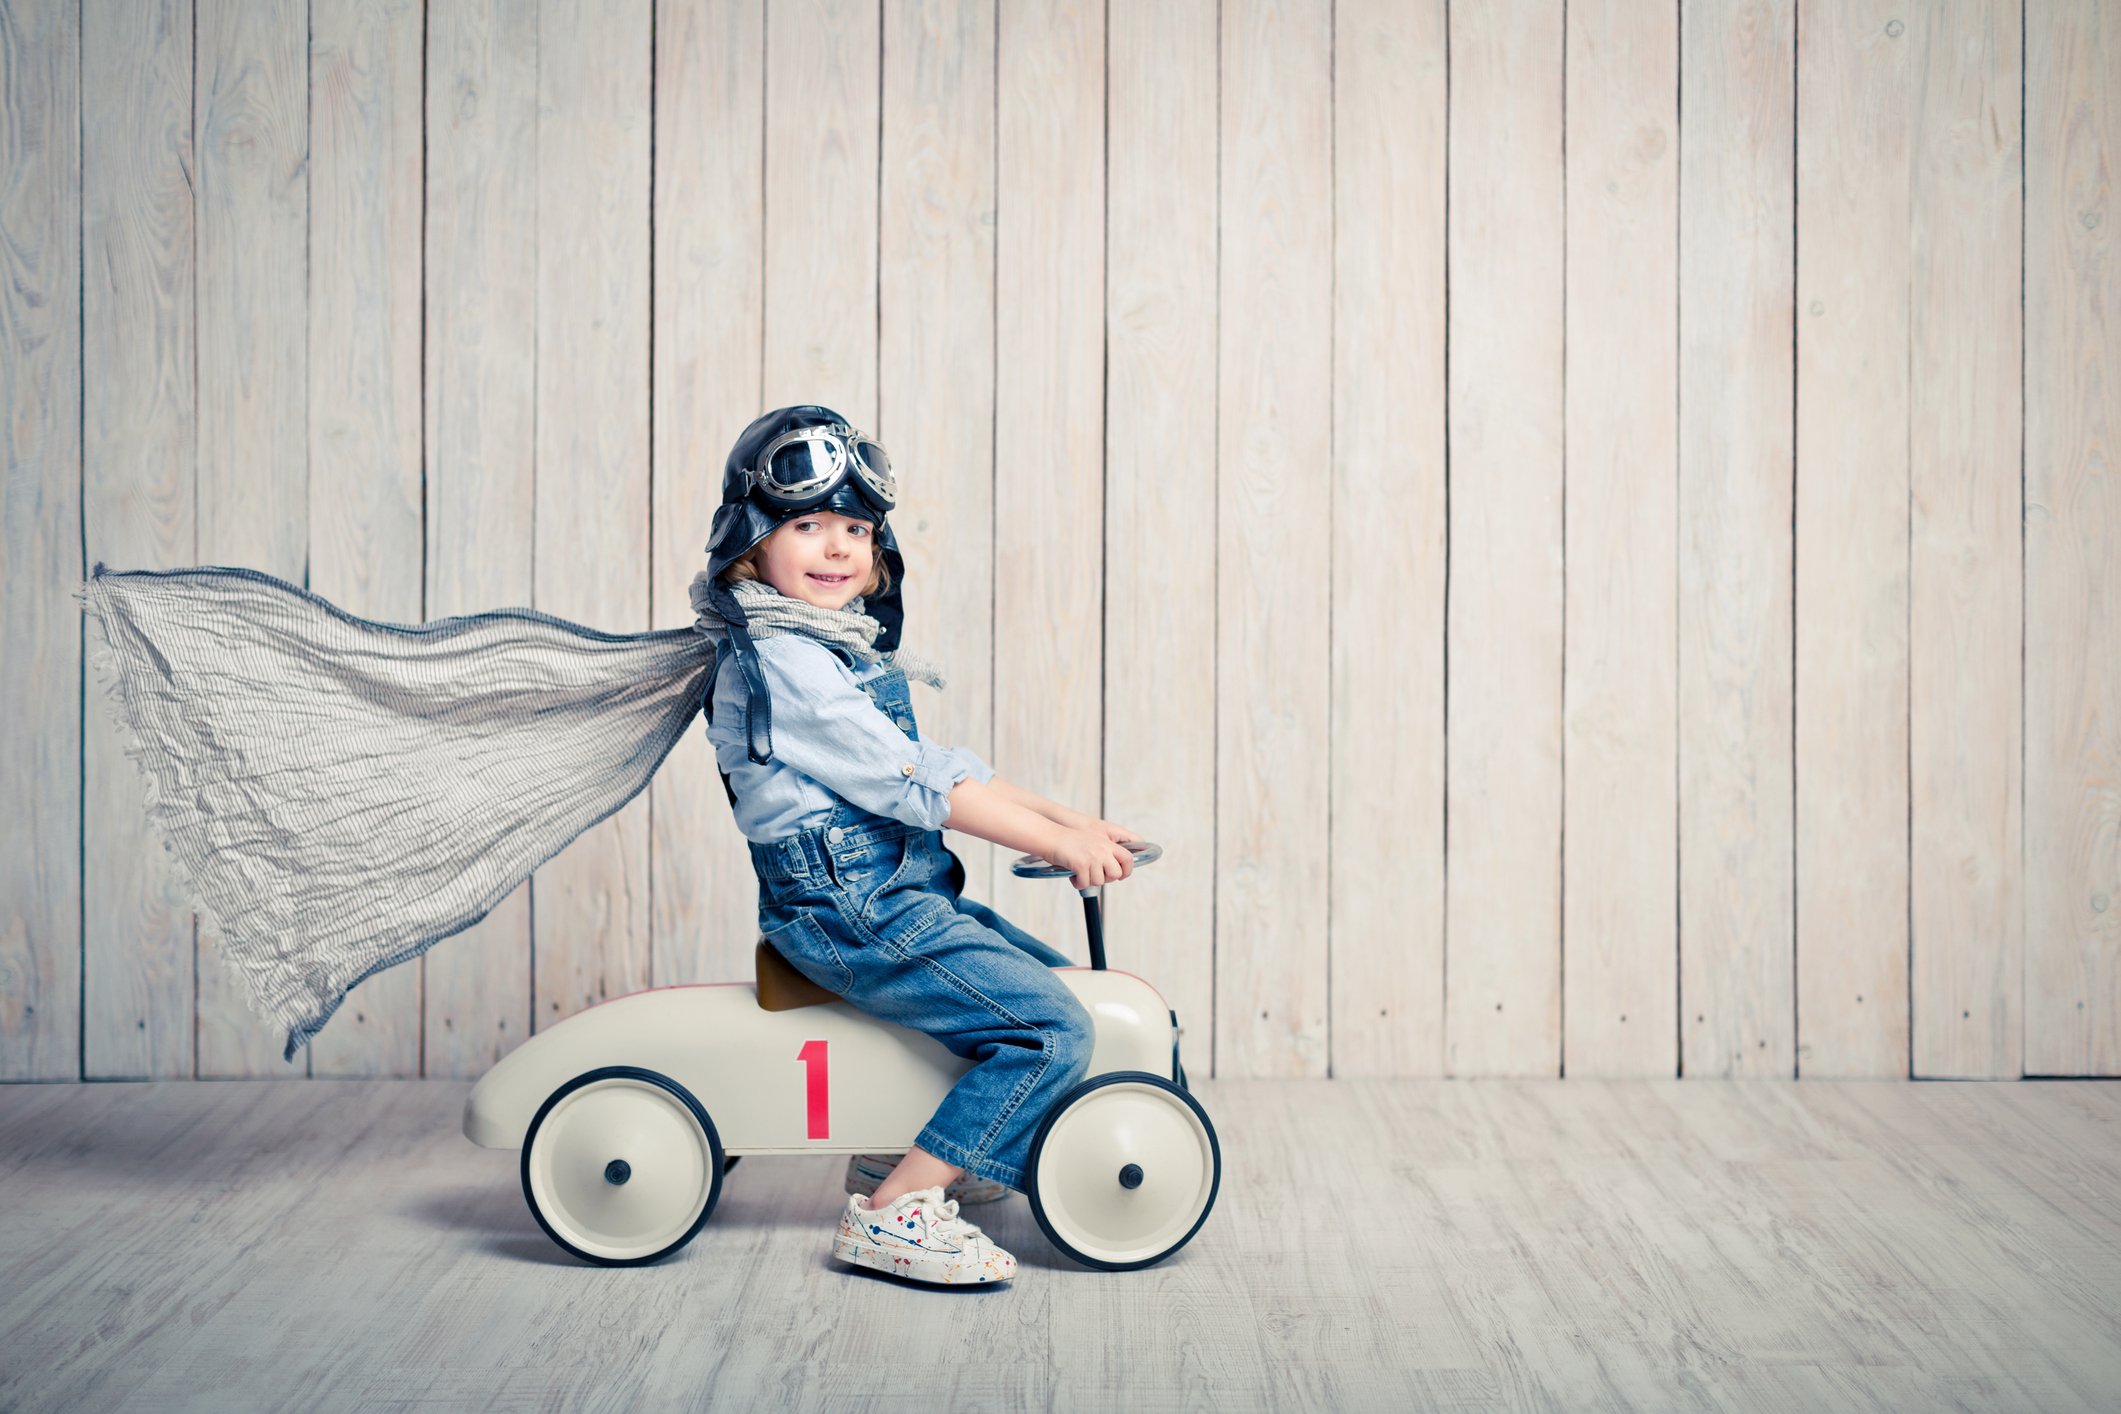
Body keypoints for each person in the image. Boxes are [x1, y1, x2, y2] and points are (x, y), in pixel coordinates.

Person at [694, 404, 1139, 1286]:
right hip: (846, 907)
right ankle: (896, 1210)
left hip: (890, 893)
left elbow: (937, 765)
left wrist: (1069, 827)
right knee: (1049, 1028)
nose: (836, 549)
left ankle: (924, 1150)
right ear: (752, 544)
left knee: (1044, 991)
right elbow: (914, 786)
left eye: (855, 529)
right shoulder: (783, 660)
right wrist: (1056, 838)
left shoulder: (829, 648)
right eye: (807, 526)